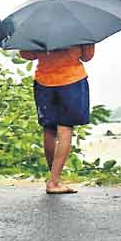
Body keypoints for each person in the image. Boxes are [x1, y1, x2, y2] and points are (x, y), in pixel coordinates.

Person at [19, 44, 95, 194]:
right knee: (65, 128)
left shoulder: (38, 26)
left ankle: (54, 178)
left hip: (44, 81)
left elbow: (26, 54)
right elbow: (87, 56)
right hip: (71, 80)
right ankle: (54, 181)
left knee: (49, 129)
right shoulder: (77, 26)